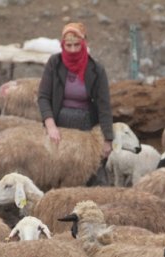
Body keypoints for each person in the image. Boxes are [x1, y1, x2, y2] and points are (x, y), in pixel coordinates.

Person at [38, 22, 114, 159]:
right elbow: (43, 97)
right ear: (62, 45)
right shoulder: (54, 64)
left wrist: (108, 139)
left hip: (86, 126)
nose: (73, 50)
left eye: (77, 45)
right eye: (68, 45)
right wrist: (50, 126)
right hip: (58, 125)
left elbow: (104, 106)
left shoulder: (96, 70)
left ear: (84, 43)